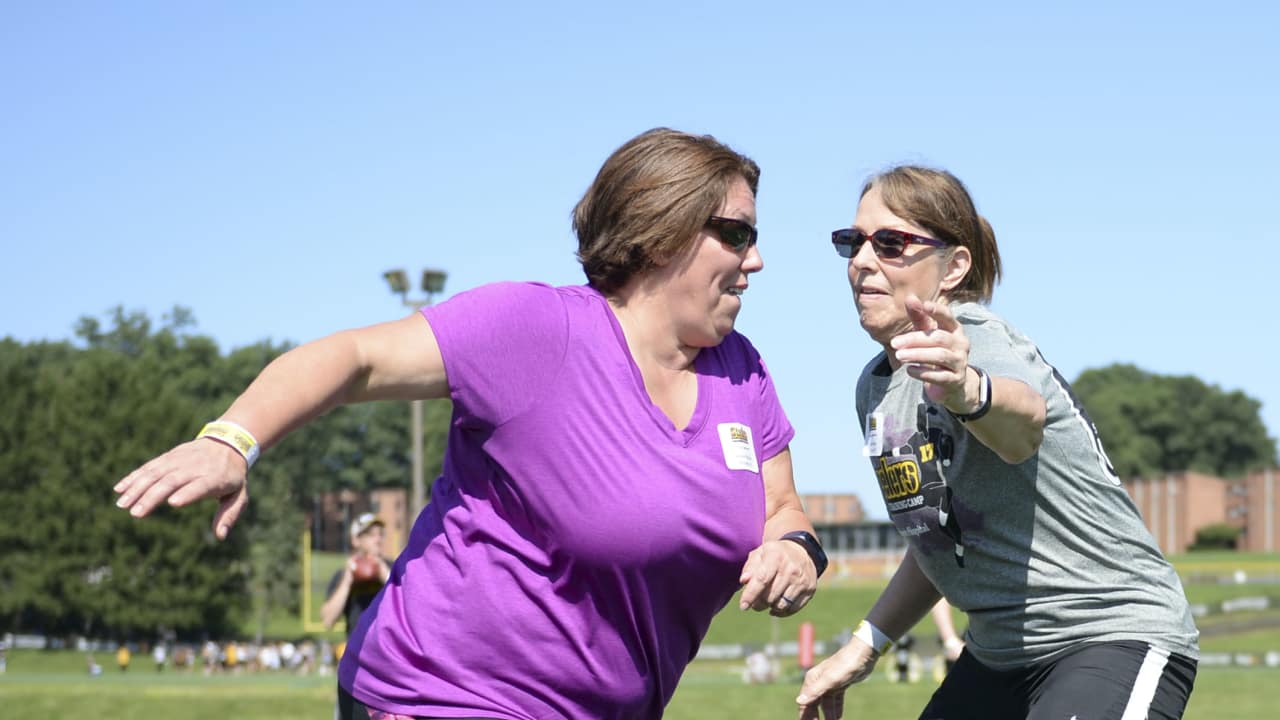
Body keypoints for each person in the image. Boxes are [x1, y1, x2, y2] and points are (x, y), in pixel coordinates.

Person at [113, 127, 827, 719]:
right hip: (442, 696)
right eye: (734, 234)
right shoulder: (537, 330)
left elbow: (781, 507)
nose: (755, 260)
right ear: (659, 231)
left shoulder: (742, 370)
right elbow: (356, 358)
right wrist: (232, 440)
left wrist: (795, 548)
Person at [796, 165, 1198, 720]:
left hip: (1110, 634)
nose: (862, 261)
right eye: (853, 242)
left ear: (953, 266)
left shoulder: (975, 339)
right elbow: (939, 536)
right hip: (999, 655)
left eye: (890, 244)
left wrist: (966, 390)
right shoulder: (875, 388)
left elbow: (1022, 426)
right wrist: (865, 645)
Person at [320, 513, 391, 633]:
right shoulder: (344, 575)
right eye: (371, 535)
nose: (378, 539)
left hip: (390, 649)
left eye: (380, 534)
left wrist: (386, 576)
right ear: (356, 540)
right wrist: (347, 581)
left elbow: (411, 608)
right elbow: (328, 620)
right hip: (359, 649)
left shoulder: (395, 568)